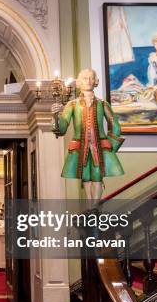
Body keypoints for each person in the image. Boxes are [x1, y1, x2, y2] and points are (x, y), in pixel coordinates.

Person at [51, 69, 125, 203]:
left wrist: (110, 148)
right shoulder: (71, 104)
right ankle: (91, 207)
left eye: (91, 78)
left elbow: (115, 126)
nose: (88, 81)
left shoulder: (103, 104)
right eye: (85, 78)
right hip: (80, 147)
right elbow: (61, 129)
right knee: (85, 176)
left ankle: (95, 208)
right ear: (79, 82)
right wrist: (55, 117)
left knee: (97, 176)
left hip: (100, 147)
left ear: (95, 81)